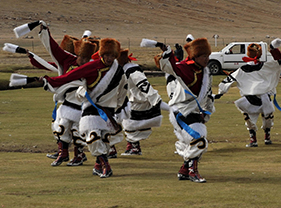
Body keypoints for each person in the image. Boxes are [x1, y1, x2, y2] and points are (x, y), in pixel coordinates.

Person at [7, 21, 97, 166]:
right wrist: (45, 32)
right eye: (82, 57)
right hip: (68, 103)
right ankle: (63, 154)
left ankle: (79, 155)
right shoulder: (68, 60)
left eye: (87, 58)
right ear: (78, 55)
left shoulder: (92, 67)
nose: (84, 61)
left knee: (77, 132)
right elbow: (54, 49)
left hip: (83, 104)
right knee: (61, 128)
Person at [41, 38, 124, 178]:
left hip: (108, 109)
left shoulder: (118, 70)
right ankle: (106, 166)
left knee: (105, 140)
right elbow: (71, 76)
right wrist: (50, 81)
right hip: (91, 108)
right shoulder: (92, 66)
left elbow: (122, 90)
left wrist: (119, 107)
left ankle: (98, 165)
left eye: (112, 55)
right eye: (107, 55)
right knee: (93, 137)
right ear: (102, 54)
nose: (109, 58)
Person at [152, 37, 214, 182]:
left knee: (197, 141)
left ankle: (185, 170)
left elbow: (208, 94)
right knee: (199, 140)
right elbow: (171, 67)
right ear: (195, 56)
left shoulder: (205, 72)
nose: (207, 59)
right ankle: (193, 172)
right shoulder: (185, 68)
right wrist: (168, 53)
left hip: (194, 111)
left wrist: (207, 112)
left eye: (208, 55)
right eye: (203, 56)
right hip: (180, 111)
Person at [216, 39, 281, 147]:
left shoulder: (242, 69)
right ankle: (267, 137)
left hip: (249, 98)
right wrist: (273, 48)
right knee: (267, 116)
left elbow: (229, 80)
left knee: (249, 118)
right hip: (264, 96)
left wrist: (220, 93)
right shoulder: (265, 66)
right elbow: (279, 62)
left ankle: (253, 139)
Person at [118, 51, 169, 156]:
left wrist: (154, 99)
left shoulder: (131, 71)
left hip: (139, 101)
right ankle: (132, 146)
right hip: (135, 99)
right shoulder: (126, 69)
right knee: (126, 122)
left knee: (128, 124)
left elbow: (143, 84)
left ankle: (134, 148)